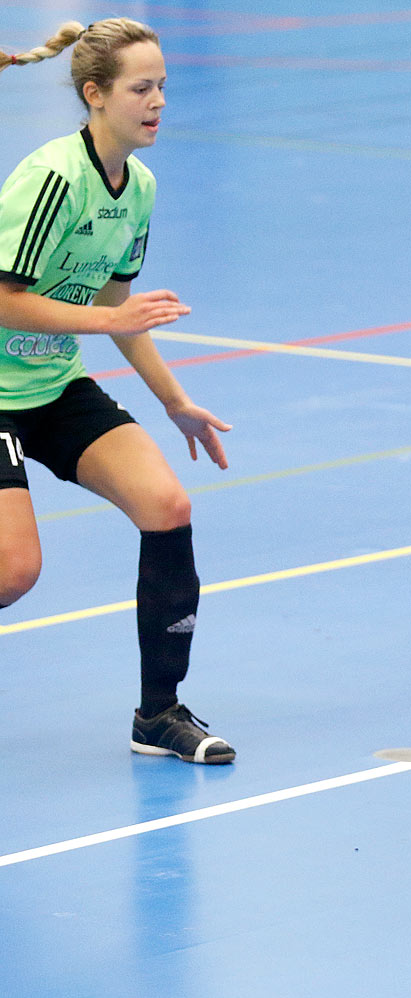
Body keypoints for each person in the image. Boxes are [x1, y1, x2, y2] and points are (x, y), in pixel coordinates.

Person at [0, 19, 235, 764]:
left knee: (167, 506)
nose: (159, 99)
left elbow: (120, 312)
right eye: (142, 87)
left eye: (163, 84)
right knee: (13, 570)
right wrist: (106, 317)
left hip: (51, 384)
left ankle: (157, 715)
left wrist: (174, 402)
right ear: (95, 95)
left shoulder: (139, 188)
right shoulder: (53, 177)